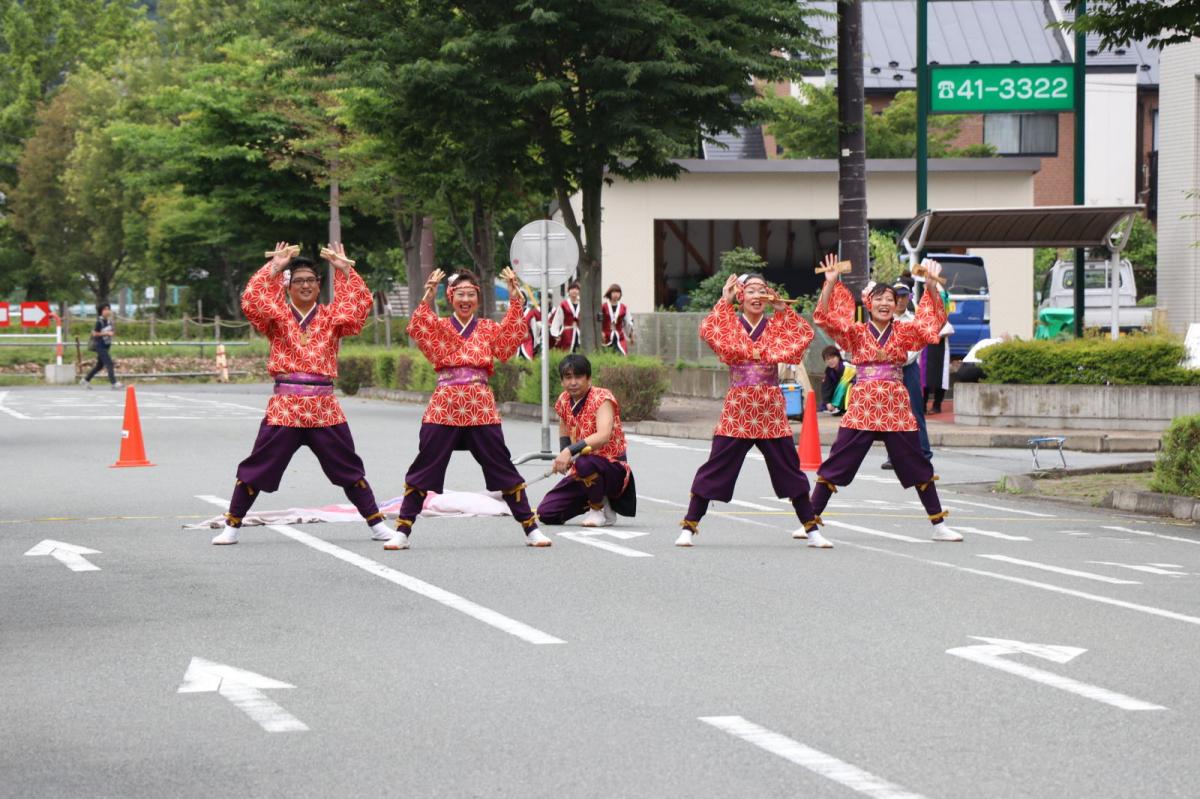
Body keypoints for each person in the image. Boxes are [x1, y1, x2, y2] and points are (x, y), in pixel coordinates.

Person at [212, 242, 391, 545]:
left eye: (311, 280)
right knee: (258, 465)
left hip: (323, 407)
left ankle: (377, 524)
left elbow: (360, 305)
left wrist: (345, 269)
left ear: (319, 285)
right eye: (299, 281)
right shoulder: (277, 316)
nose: (305, 285)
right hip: (286, 406)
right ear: (288, 286)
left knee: (348, 466)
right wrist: (276, 267)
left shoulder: (332, 318)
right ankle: (232, 525)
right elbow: (251, 301)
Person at [386, 267, 551, 550]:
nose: (466, 299)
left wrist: (515, 299)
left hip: (480, 406)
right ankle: (402, 530)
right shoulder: (440, 326)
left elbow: (508, 344)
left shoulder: (487, 328)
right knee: (424, 466)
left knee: (502, 465)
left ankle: (530, 527)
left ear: (478, 298)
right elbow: (418, 328)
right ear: (451, 298)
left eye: (471, 294)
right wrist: (427, 296)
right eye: (460, 294)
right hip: (445, 405)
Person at [810, 257, 963, 542]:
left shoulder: (904, 330)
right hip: (863, 406)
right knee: (838, 460)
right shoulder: (856, 332)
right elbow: (825, 320)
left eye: (889, 299)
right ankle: (809, 522)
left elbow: (931, 326)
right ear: (868, 303)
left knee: (917, 462)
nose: (884, 303)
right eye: (878, 298)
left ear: (896, 305)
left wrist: (930, 287)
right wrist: (830, 283)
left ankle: (939, 525)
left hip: (895, 405)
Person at [676, 270, 830, 548]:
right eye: (751, 291)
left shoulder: (775, 325)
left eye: (762, 291)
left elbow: (804, 336)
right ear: (741, 296)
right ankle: (689, 525)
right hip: (739, 407)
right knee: (717, 465)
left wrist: (783, 312)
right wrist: (724, 300)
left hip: (770, 407)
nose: (757, 296)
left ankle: (812, 529)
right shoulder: (731, 323)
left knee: (789, 469)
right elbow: (707, 331)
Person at [536, 354, 637, 527]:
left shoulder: (602, 398)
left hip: (613, 468)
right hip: (582, 469)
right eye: (568, 377)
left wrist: (570, 452)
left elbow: (603, 436)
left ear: (589, 378)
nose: (573, 382)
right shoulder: (563, 400)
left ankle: (599, 509)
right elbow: (564, 427)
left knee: (585, 462)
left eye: (578, 377)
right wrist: (565, 454)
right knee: (546, 513)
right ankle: (595, 498)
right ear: (562, 381)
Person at [882, 277, 933, 468]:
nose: (901, 300)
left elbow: (913, 352)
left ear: (908, 297)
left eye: (904, 296)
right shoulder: (884, 320)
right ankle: (894, 456)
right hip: (888, 370)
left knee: (914, 412)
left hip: (908, 369)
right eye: (897, 296)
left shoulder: (913, 320)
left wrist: (896, 358)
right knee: (890, 413)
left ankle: (924, 453)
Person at [922, 289, 953, 414]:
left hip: (940, 348)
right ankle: (922, 405)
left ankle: (937, 405)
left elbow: (948, 328)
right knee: (924, 377)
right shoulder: (924, 313)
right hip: (926, 348)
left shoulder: (943, 315)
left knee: (941, 377)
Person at [81, 303, 122, 390]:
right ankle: (114, 383)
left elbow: (112, 331)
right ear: (101, 311)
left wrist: (112, 332)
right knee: (109, 363)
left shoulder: (109, 321)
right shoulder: (99, 321)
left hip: (106, 345)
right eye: (105, 309)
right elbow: (94, 333)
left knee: (99, 366)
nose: (107, 311)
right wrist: (106, 333)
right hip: (99, 346)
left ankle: (85, 380)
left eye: (108, 309)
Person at [820, 345, 855, 415]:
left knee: (845, 385)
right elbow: (826, 387)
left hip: (852, 392)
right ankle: (836, 407)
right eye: (827, 359)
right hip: (838, 394)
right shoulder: (828, 371)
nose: (830, 361)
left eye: (833, 357)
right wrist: (828, 402)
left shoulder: (847, 366)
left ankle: (841, 407)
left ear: (838, 357)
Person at [600, 284, 633, 355]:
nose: (616, 294)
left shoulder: (623, 307)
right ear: (610, 293)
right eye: (614, 292)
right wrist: (600, 332)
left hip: (619, 337)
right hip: (606, 337)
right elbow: (598, 321)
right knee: (606, 356)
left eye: (618, 292)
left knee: (622, 355)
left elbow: (628, 322)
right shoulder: (603, 307)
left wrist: (630, 335)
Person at [549, 282, 582, 352]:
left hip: (579, 333)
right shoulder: (564, 305)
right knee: (567, 352)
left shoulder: (582, 304)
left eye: (576, 289)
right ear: (568, 291)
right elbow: (557, 319)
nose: (574, 291)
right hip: (567, 334)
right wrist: (556, 334)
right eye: (572, 289)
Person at [517, 288, 542, 361]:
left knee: (528, 362)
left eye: (522, 297)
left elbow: (535, 329)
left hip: (527, 342)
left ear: (525, 299)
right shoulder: (511, 312)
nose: (520, 300)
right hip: (515, 344)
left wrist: (536, 343)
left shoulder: (530, 312)